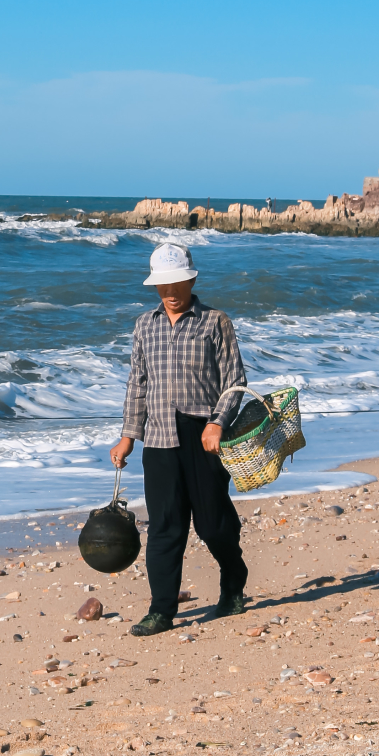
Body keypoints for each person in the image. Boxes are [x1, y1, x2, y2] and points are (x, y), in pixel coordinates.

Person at [110, 240, 250, 636]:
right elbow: (136, 385)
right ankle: (161, 610)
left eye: (177, 283)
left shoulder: (215, 322)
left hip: (203, 436)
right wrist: (127, 436)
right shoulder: (144, 325)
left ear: (192, 279)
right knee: (165, 526)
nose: (170, 292)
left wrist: (218, 422)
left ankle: (233, 578)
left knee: (212, 524)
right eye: (162, 285)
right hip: (158, 438)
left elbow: (234, 382)